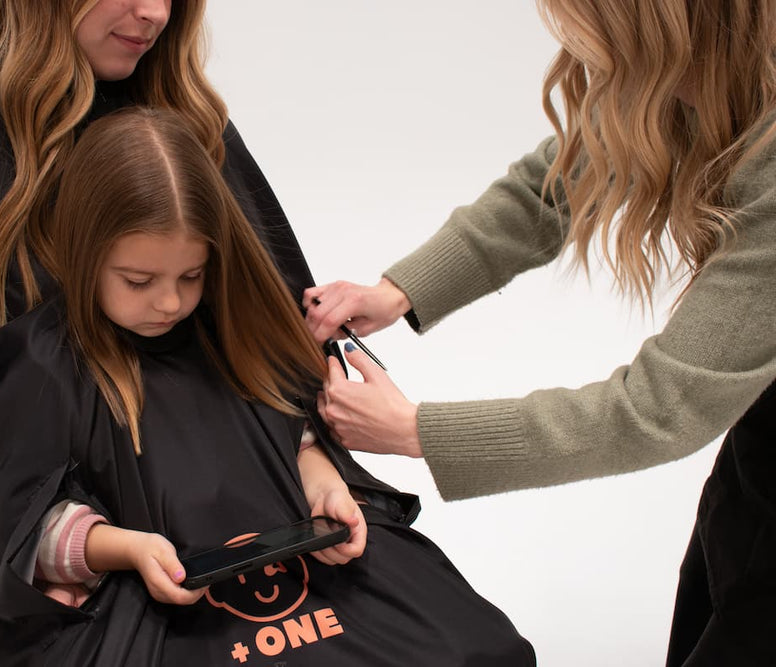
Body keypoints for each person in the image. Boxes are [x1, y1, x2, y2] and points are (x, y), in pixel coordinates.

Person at [0, 0, 351, 662]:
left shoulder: (193, 133)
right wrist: (75, 548)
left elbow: (267, 355)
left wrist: (312, 463)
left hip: (255, 556)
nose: (153, 12)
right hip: (83, 594)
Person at [0, 105, 535, 664]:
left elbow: (294, 442)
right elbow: (27, 528)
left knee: (479, 649)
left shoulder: (235, 331)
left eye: (191, 275)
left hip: (299, 567)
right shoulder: (41, 364)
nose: (169, 302)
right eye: (139, 281)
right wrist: (126, 549)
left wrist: (326, 489)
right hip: (155, 604)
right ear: (83, 254)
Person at [303, 1, 776, 665]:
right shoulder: (697, 72)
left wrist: (415, 431)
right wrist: (398, 292)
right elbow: (552, 185)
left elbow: (658, 409)